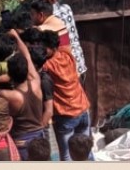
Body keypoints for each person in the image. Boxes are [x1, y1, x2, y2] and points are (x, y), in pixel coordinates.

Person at [39, 29, 91, 160]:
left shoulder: (47, 65)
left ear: (50, 48)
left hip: (66, 115)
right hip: (83, 109)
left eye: (42, 46)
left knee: (67, 155)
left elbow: (33, 63)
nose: (40, 49)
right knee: (86, 153)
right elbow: (64, 44)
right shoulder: (68, 55)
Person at [4, 31, 49, 155]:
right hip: (40, 137)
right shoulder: (35, 83)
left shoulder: (11, 95)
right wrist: (17, 37)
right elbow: (27, 56)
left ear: (10, 76)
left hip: (23, 141)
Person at [38, 0, 87, 75]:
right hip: (79, 59)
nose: (40, 0)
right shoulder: (66, 8)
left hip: (69, 65)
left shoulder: (51, 17)